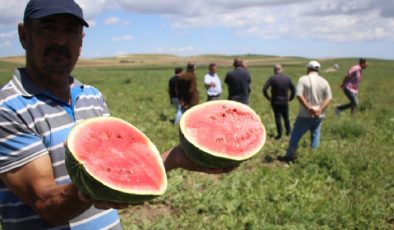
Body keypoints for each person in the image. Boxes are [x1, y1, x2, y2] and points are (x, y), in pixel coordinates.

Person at [0, 1, 227, 229]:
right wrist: (101, 180)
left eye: (71, 30)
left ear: (81, 40)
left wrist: (174, 158)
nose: (61, 40)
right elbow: (48, 203)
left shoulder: (92, 96)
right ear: (23, 35)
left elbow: (119, 165)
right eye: (48, 28)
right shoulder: (7, 109)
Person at [278, 61, 332, 163]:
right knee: (315, 136)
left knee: (295, 136)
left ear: (308, 68)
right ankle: (313, 158)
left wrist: (308, 108)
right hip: (319, 115)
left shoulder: (303, 79)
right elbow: (329, 98)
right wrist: (320, 109)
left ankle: (289, 156)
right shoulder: (324, 81)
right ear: (318, 70)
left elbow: (298, 95)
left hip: (305, 115)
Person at [263, 64, 295, 140]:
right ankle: (288, 132)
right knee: (286, 117)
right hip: (285, 101)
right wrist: (290, 98)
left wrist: (268, 98)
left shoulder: (272, 78)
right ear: (281, 69)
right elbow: (293, 89)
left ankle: (279, 134)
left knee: (278, 118)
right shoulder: (287, 78)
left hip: (275, 101)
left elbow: (264, 89)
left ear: (274, 70)